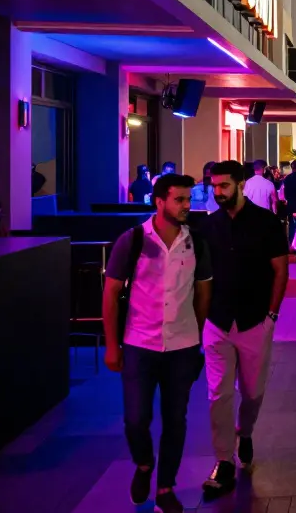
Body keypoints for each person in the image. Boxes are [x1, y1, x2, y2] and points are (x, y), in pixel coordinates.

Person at [102, 174, 209, 513]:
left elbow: (203, 291)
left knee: (176, 419)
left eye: (188, 200)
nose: (186, 206)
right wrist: (112, 345)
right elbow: (111, 294)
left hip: (183, 345)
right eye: (179, 200)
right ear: (159, 201)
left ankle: (165, 486)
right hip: (139, 343)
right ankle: (144, 464)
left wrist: (197, 334)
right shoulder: (132, 240)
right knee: (136, 419)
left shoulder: (197, 243)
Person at [200, 161, 291, 498]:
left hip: (255, 320)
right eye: (215, 186)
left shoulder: (266, 223)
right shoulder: (208, 226)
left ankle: (246, 431)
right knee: (218, 395)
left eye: (224, 186)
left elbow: (280, 271)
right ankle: (223, 459)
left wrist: (271, 315)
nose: (219, 192)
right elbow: (201, 275)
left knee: (252, 392)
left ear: (240, 184)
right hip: (217, 321)